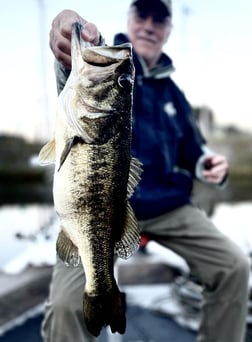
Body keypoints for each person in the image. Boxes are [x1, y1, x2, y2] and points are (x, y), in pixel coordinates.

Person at [42, 1, 250, 341]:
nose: (150, 26)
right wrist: (69, 40)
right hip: (101, 209)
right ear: (130, 19)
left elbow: (192, 149)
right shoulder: (113, 65)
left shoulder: (175, 95)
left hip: (170, 206)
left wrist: (207, 163)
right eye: (143, 15)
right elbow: (82, 79)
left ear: (168, 29)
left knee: (233, 266)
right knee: (67, 305)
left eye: (160, 19)